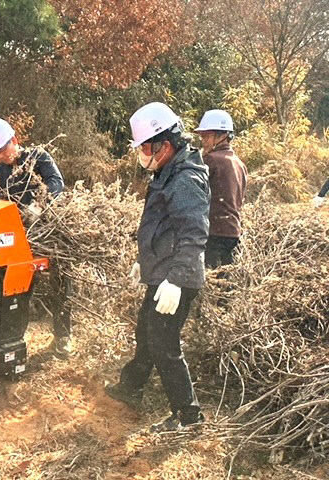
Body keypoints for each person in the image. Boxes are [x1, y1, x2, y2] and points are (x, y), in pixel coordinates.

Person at [105, 102, 210, 432]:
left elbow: (194, 233)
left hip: (177, 277)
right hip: (163, 272)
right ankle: (131, 386)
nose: (143, 154)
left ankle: (188, 416)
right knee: (146, 331)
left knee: (164, 344)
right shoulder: (169, 171)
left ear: (166, 145)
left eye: (147, 147)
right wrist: (146, 263)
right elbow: (164, 228)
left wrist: (176, 280)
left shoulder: (185, 179)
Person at [0, 118, 72, 358]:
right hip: (21, 237)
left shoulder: (38, 157)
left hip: (50, 230)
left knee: (60, 285)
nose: (1, 156)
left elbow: (56, 182)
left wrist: (39, 205)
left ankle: (63, 338)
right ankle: (12, 338)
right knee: (18, 287)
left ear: (15, 141)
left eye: (3, 150)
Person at [195, 110, 247, 268]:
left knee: (209, 283)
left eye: (207, 136)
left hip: (213, 235)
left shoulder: (210, 160)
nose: (203, 140)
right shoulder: (240, 164)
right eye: (202, 136)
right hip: (233, 233)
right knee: (225, 286)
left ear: (222, 136)